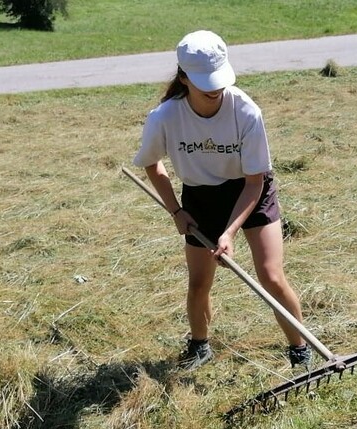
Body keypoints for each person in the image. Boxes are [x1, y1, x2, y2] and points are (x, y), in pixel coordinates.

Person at [132, 30, 311, 371]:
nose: (214, 89)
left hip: (248, 191)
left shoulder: (245, 111)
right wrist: (176, 211)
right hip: (199, 197)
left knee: (271, 276)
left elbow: (254, 182)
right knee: (199, 282)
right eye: (203, 83)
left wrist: (228, 234)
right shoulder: (165, 117)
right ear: (184, 78)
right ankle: (199, 346)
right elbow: (152, 165)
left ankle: (299, 350)